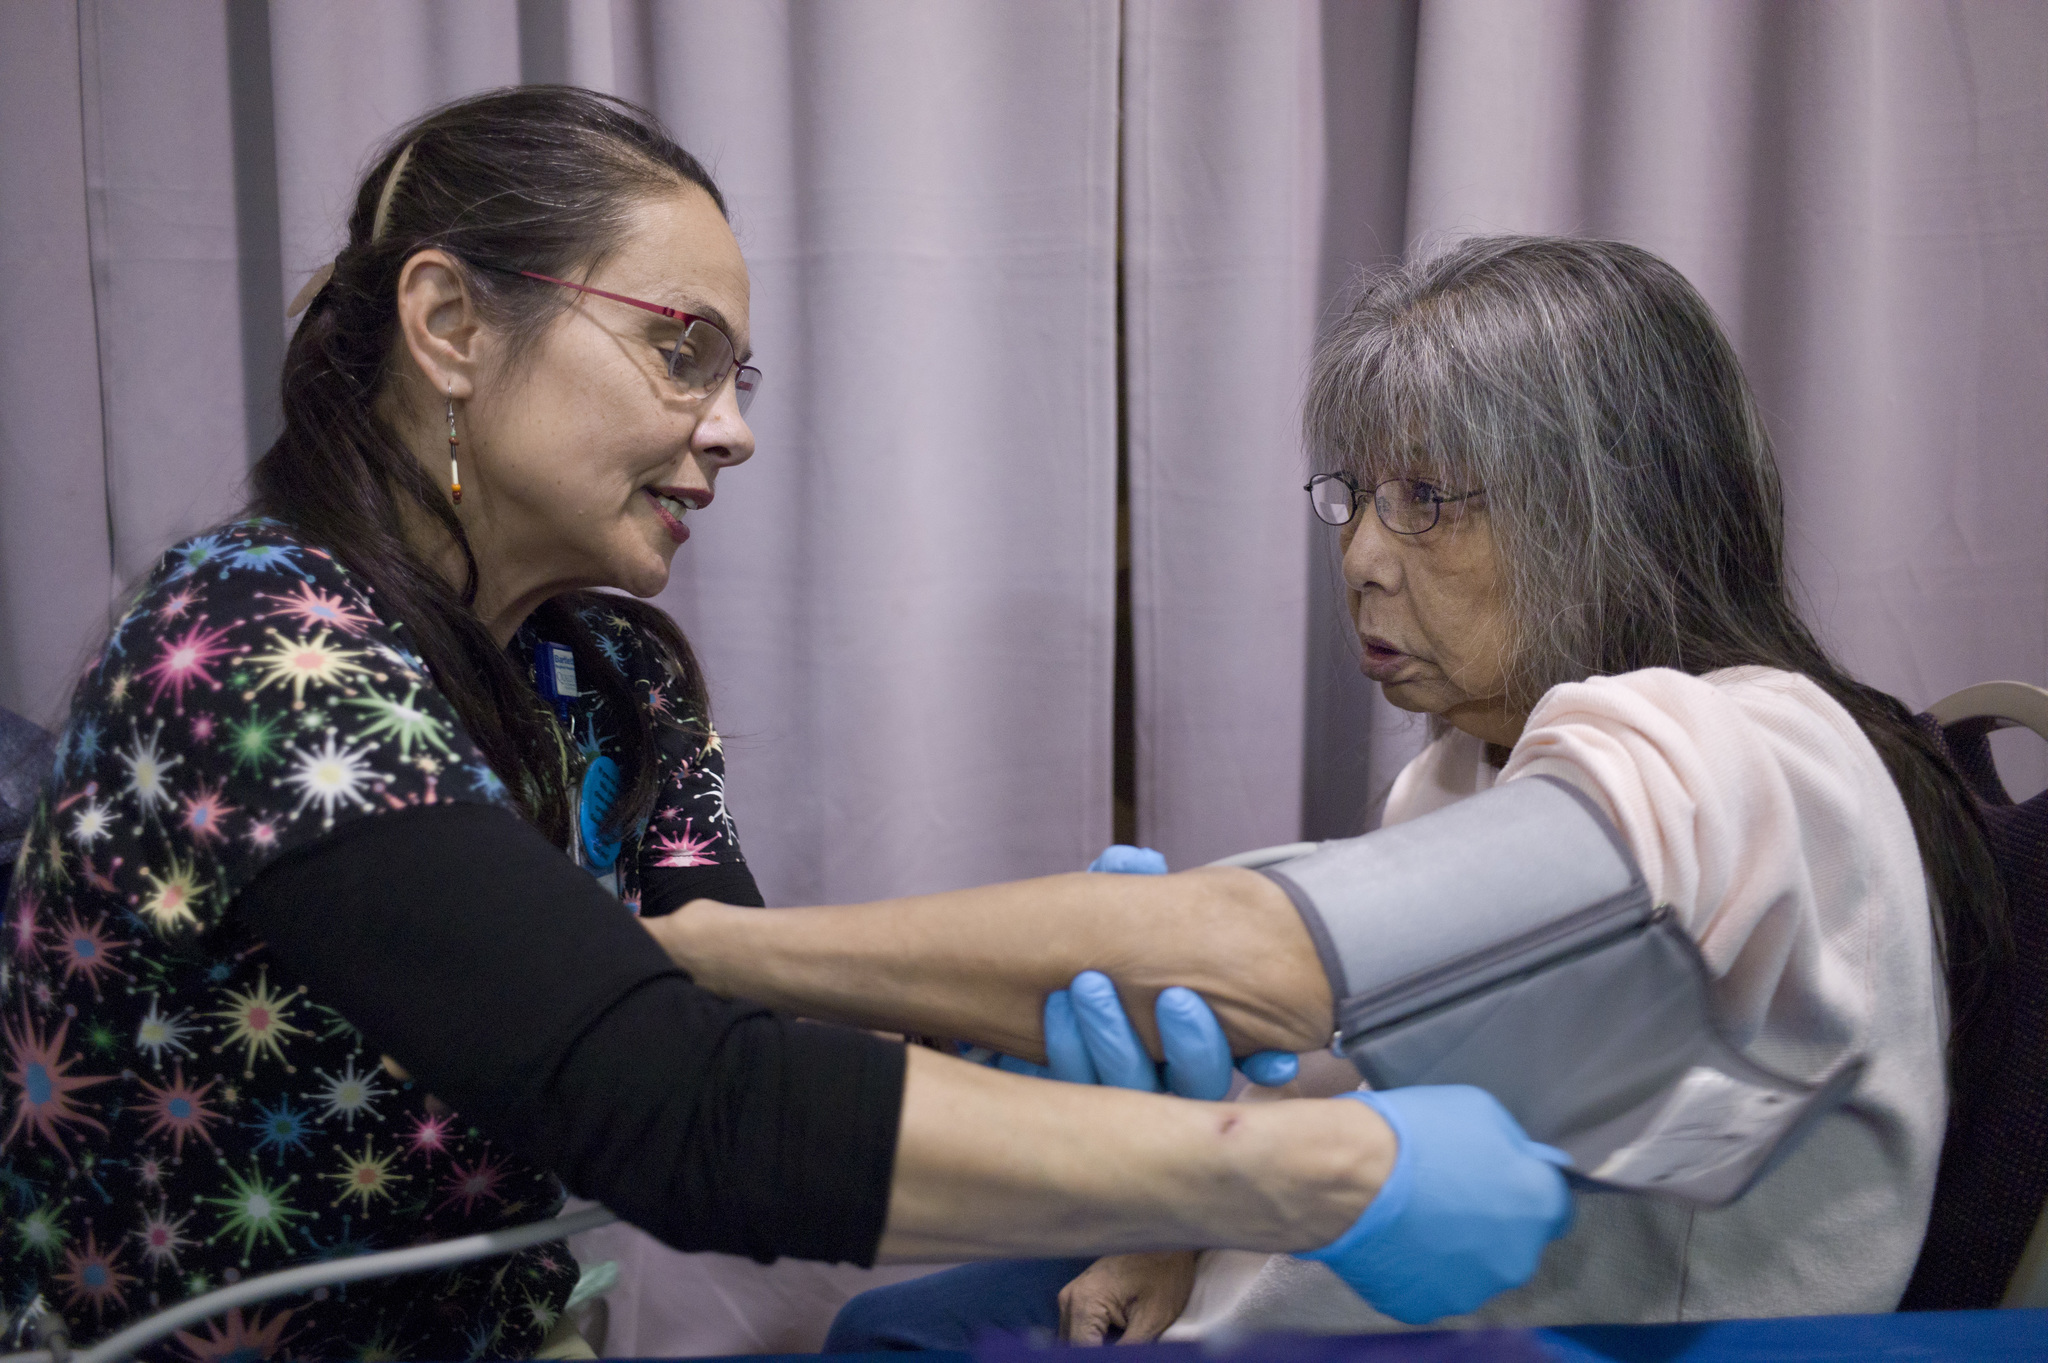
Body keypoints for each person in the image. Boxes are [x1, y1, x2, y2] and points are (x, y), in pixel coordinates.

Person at [0, 90, 1571, 1361]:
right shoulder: (250, 656)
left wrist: (1045, 1001)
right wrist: (1286, 1177)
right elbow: (673, 1098)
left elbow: (735, 994)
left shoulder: (613, 678)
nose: (734, 429)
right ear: (451, 325)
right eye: (682, 351)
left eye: (739, 372)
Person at [645, 237, 2008, 1344]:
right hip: (1335, 1288)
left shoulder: (1741, 749)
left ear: (1608, 509)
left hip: (1562, 1338)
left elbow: (1265, 965)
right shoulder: (1467, 769)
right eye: (1354, 496)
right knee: (888, 1333)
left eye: (1429, 498)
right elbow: (1373, 1071)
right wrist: (1174, 1227)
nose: (1359, 554)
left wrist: (704, 955)